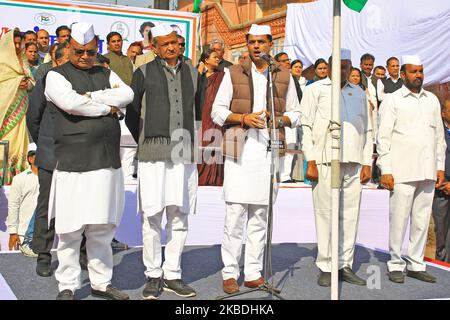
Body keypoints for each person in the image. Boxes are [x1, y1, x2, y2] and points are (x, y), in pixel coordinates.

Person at [44, 22, 133, 300]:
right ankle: (67, 285)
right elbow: (71, 104)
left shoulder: (105, 72)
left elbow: (127, 94)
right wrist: (108, 108)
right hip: (73, 162)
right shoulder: (56, 76)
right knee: (70, 230)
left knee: (101, 228)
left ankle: (101, 283)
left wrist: (92, 97)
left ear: (98, 49)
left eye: (90, 52)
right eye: (79, 51)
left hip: (105, 161)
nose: (85, 56)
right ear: (69, 47)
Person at [211, 24, 300, 294]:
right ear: (247, 45)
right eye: (252, 42)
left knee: (261, 215)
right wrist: (243, 118)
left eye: (262, 42)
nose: (257, 47)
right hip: (240, 148)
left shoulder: (282, 75)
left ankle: (253, 272)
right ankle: (230, 272)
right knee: (236, 215)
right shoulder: (232, 72)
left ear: (271, 45)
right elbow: (217, 111)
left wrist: (279, 119)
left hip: (269, 152)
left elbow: (297, 114)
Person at [126, 24, 198, 300]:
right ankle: (153, 274)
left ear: (181, 45)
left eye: (175, 43)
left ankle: (173, 274)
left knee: (179, 216)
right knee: (153, 216)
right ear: (154, 47)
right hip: (153, 155)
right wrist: (147, 139)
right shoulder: (142, 72)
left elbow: (199, 109)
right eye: (165, 43)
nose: (171, 47)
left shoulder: (193, 73)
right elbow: (132, 114)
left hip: (184, 154)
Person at [301, 49, 372, 287]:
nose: (342, 70)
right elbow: (306, 126)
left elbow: (367, 130)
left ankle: (344, 264)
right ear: (330, 66)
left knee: (350, 214)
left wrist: (367, 162)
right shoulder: (315, 89)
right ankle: (326, 264)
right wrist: (310, 159)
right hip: (324, 161)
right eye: (338, 65)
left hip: (353, 162)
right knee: (325, 212)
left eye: (346, 66)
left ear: (351, 67)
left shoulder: (359, 93)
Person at [378, 55, 446, 284]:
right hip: (401, 170)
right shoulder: (392, 100)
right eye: (414, 72)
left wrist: (440, 166)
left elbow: (439, 136)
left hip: (427, 170)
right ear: (403, 74)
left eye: (421, 71)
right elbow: (383, 137)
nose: (418, 75)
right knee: (399, 218)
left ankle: (417, 263)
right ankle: (396, 263)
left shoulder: (432, 100)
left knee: (421, 219)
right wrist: (385, 168)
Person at [0, 30, 35, 184]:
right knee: (5, 147)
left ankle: (16, 181)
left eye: (18, 43)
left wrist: (26, 83)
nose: (16, 46)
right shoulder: (2, 61)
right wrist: (15, 83)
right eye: (13, 43)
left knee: (19, 146)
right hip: (5, 114)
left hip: (21, 113)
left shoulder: (22, 60)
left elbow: (32, 81)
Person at [195, 49, 224, 186]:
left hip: (215, 114)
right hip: (201, 113)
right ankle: (200, 176)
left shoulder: (222, 76)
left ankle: (215, 177)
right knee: (203, 142)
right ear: (206, 60)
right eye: (214, 57)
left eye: (218, 58)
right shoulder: (198, 74)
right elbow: (193, 90)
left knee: (215, 142)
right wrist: (199, 72)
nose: (218, 59)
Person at [6, 144, 39, 257]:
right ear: (30, 159)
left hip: (46, 235)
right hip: (24, 236)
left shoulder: (53, 178)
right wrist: (13, 232)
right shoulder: (19, 179)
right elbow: (13, 206)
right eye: (38, 155)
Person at [432, 99, 450, 263]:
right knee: (441, 231)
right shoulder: (436, 133)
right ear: (443, 114)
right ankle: (442, 264)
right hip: (441, 189)